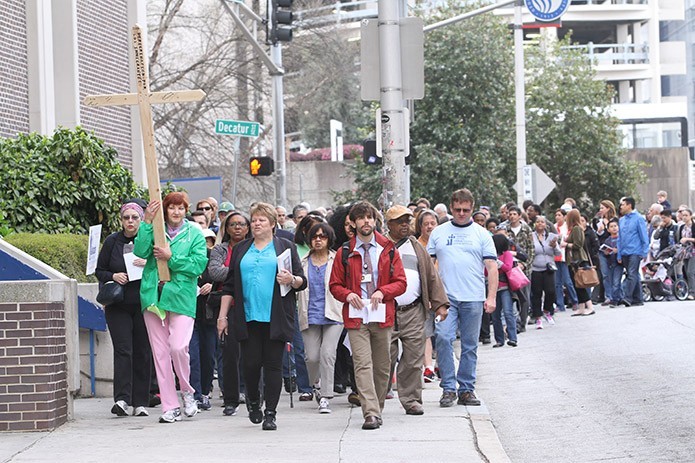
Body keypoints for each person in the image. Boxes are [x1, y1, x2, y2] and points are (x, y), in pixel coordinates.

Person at [218, 203, 307, 431]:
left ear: (272, 224)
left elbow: (301, 281)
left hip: (276, 315)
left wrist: (291, 280)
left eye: (261, 220)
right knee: (249, 364)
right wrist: (222, 317)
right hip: (247, 316)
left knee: (273, 365)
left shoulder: (285, 247)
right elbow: (229, 286)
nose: (256, 224)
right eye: (254, 220)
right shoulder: (240, 249)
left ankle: (271, 413)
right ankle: (254, 401)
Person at [329, 201, 407, 430]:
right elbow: (335, 285)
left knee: (383, 367)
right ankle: (370, 413)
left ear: (375, 221)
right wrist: (347, 294)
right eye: (361, 218)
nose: (366, 222)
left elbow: (401, 283)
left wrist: (384, 291)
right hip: (356, 317)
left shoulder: (388, 249)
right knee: (362, 364)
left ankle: (377, 406)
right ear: (353, 223)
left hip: (381, 315)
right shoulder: (345, 251)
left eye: (369, 218)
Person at [134, 192, 208, 424]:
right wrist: (146, 221)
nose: (176, 212)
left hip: (181, 297)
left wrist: (170, 257)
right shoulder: (155, 228)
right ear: (165, 210)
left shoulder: (194, 232)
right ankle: (169, 405)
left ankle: (187, 391)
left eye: (181, 208)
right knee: (160, 354)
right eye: (172, 208)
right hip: (154, 297)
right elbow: (140, 251)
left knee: (178, 347)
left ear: (186, 210)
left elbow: (198, 265)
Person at [428, 188, 498, 408]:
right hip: (445, 298)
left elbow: (492, 267)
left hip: (473, 297)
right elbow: (429, 266)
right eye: (457, 209)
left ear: (472, 209)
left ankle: (466, 388)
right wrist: (431, 295)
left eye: (465, 210)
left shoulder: (482, 234)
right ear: (451, 207)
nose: (461, 213)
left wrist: (491, 297)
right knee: (443, 338)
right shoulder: (438, 232)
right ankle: (448, 388)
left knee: (469, 345)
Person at [384, 205, 449, 415]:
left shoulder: (416, 246)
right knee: (384, 357)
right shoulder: (380, 246)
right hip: (385, 310)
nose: (405, 225)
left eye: (407, 220)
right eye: (400, 221)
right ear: (389, 225)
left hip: (412, 310)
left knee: (413, 357)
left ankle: (411, 399)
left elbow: (431, 275)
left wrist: (439, 304)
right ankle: (377, 398)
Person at [96, 200, 151, 417]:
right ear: (121, 220)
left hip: (143, 302)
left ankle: (141, 401)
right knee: (123, 350)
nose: (130, 221)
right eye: (126, 217)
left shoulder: (147, 241)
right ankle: (122, 399)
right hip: (118, 304)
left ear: (141, 219)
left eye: (134, 217)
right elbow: (99, 270)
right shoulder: (112, 241)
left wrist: (149, 264)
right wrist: (113, 276)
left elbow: (162, 266)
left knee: (142, 352)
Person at [297, 222, 343, 414]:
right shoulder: (302, 262)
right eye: (315, 237)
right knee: (312, 357)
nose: (318, 240)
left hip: (334, 313)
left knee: (328, 354)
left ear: (328, 239)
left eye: (322, 236)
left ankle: (325, 396)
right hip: (309, 314)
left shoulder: (337, 259)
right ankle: (316, 384)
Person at [209, 211, 251, 416]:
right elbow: (214, 272)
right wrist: (240, 270)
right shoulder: (220, 250)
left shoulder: (255, 248)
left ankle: (251, 393)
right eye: (233, 224)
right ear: (226, 228)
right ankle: (230, 398)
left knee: (251, 353)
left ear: (248, 228)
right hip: (226, 306)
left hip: (250, 305)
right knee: (229, 353)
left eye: (242, 224)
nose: (237, 228)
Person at [188, 228, 217, 411]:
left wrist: (212, 285)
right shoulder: (180, 256)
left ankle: (205, 392)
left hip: (208, 314)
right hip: (187, 312)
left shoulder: (211, 256)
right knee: (191, 356)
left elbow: (224, 277)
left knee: (208, 355)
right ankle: (195, 394)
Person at [415, 209, 440, 382]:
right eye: (426, 224)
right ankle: (428, 367)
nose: (430, 227)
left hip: (443, 294)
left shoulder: (443, 243)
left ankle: (441, 365)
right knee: (426, 331)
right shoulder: (416, 245)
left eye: (433, 223)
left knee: (444, 333)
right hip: (423, 295)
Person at [618, 197, 649, 306]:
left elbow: (644, 236)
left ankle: (627, 297)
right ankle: (638, 298)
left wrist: (645, 251)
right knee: (633, 274)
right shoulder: (621, 220)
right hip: (624, 251)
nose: (620, 207)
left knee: (631, 274)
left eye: (622, 204)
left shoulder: (639, 218)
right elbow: (619, 238)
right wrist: (619, 253)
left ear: (629, 205)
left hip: (635, 251)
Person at [565, 209, 595, 316]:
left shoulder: (577, 229)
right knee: (577, 284)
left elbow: (578, 244)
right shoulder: (575, 229)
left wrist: (566, 244)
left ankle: (590, 306)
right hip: (574, 260)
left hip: (578, 259)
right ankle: (581, 307)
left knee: (581, 283)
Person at [530, 217, 560, 329]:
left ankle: (547, 311)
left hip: (549, 268)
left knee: (550, 291)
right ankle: (538, 317)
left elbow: (557, 252)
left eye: (542, 222)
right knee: (536, 293)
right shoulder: (531, 236)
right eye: (537, 222)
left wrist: (554, 246)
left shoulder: (551, 236)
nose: (540, 224)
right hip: (535, 268)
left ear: (546, 224)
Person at [490, 234, 517, 347]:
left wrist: (497, 264)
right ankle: (499, 339)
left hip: (505, 288)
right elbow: (486, 272)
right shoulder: (489, 256)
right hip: (494, 288)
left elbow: (508, 267)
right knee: (495, 316)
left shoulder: (507, 254)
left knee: (508, 312)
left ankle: (512, 337)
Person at [554, 209, 579, 312]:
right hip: (555, 256)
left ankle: (574, 300)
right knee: (557, 282)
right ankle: (560, 304)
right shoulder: (554, 227)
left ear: (564, 216)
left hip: (565, 255)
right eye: (556, 215)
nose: (557, 217)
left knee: (567, 280)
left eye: (559, 215)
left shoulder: (567, 227)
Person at [594, 200, 617, 305]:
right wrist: (599, 231)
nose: (600, 210)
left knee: (614, 273)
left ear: (608, 208)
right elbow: (597, 236)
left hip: (613, 249)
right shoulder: (599, 221)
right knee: (605, 274)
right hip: (602, 250)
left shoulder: (615, 221)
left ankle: (616, 295)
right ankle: (608, 296)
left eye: (602, 208)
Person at [602, 219, 623, 307]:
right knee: (612, 281)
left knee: (616, 281)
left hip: (619, 263)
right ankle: (619, 297)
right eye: (611, 226)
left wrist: (618, 251)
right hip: (610, 262)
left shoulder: (621, 238)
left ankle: (615, 299)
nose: (614, 228)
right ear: (608, 230)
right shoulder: (608, 240)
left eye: (615, 226)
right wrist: (606, 252)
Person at [676, 208, 695, 299]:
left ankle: (692, 292)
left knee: (690, 271)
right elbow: (679, 240)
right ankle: (688, 289)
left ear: (690, 216)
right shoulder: (682, 227)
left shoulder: (693, 226)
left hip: (693, 251)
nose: (684, 217)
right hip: (685, 252)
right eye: (683, 215)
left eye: (686, 215)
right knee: (686, 271)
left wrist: (688, 239)